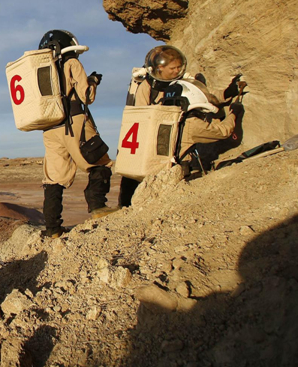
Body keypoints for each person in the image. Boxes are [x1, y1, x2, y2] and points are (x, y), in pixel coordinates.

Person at [118, 45, 245, 207]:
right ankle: (126, 208)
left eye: (178, 67)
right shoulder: (148, 86)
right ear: (160, 67)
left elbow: (202, 97)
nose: (176, 71)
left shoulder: (180, 83)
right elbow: (143, 116)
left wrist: (227, 93)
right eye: (172, 68)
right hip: (152, 138)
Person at [39, 30, 118, 238]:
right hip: (73, 123)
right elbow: (86, 96)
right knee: (99, 162)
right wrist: (92, 81)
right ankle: (98, 207)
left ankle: (52, 228)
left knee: (53, 179)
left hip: (50, 129)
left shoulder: (42, 71)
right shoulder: (71, 62)